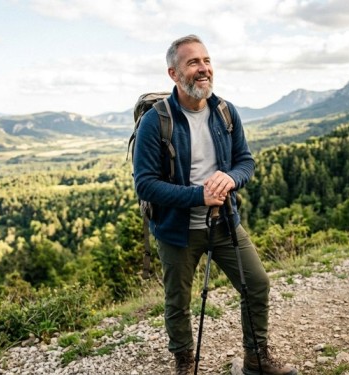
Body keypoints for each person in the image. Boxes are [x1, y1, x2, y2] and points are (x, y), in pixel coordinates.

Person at [133, 34, 298, 375]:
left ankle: (257, 360)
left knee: (257, 284)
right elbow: (145, 185)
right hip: (176, 231)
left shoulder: (225, 112)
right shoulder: (156, 121)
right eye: (193, 62)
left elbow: (245, 162)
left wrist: (232, 178)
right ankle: (184, 362)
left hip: (224, 222)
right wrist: (198, 196)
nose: (204, 68)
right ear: (174, 74)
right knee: (178, 303)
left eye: (207, 61)